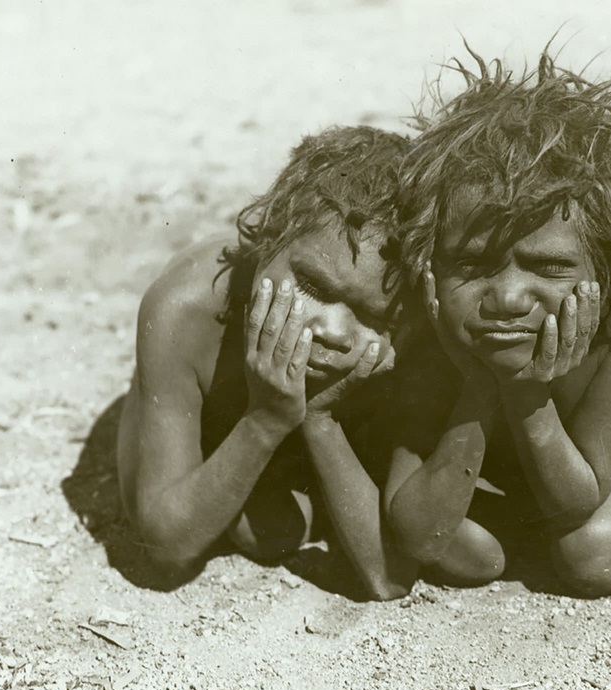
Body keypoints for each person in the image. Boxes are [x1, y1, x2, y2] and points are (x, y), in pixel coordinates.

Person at [384, 51, 611, 597]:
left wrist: (524, 389)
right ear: (432, 260)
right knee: (457, 547)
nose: (506, 297)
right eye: (474, 264)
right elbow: (417, 531)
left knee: (591, 554)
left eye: (550, 267)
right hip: (513, 433)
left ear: (607, 264)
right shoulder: (431, 300)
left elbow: (578, 500)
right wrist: (482, 387)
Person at [117, 126, 416, 599]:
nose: (335, 331)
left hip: (309, 432)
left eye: (375, 316)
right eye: (314, 288)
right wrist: (265, 420)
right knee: (264, 528)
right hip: (228, 417)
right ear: (268, 239)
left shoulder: (407, 338)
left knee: (268, 528)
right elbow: (165, 544)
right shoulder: (187, 311)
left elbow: (388, 577)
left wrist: (319, 420)